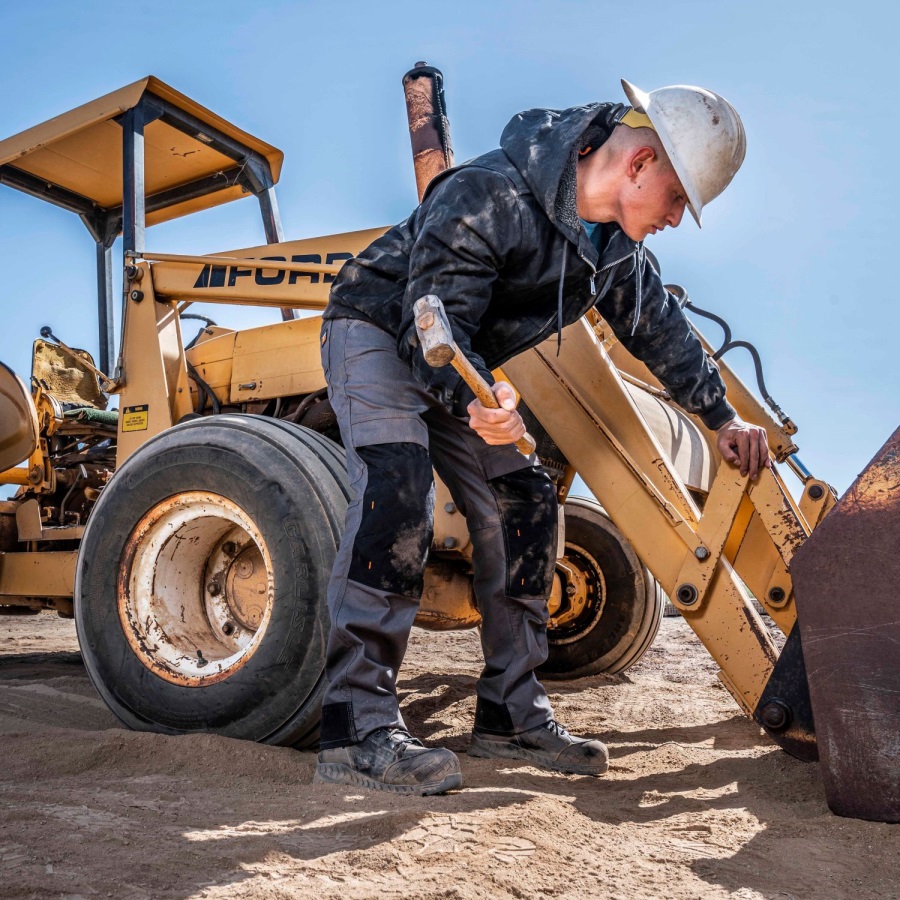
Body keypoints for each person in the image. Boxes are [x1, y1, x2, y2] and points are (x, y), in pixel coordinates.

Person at [313, 79, 770, 795]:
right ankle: (356, 727)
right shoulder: (487, 193)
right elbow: (431, 321)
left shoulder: (613, 249)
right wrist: (475, 398)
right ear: (641, 163)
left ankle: (509, 716)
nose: (677, 219)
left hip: (455, 355)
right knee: (397, 490)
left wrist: (722, 420)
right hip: (378, 325)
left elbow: (660, 330)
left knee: (527, 500)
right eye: (679, 199)